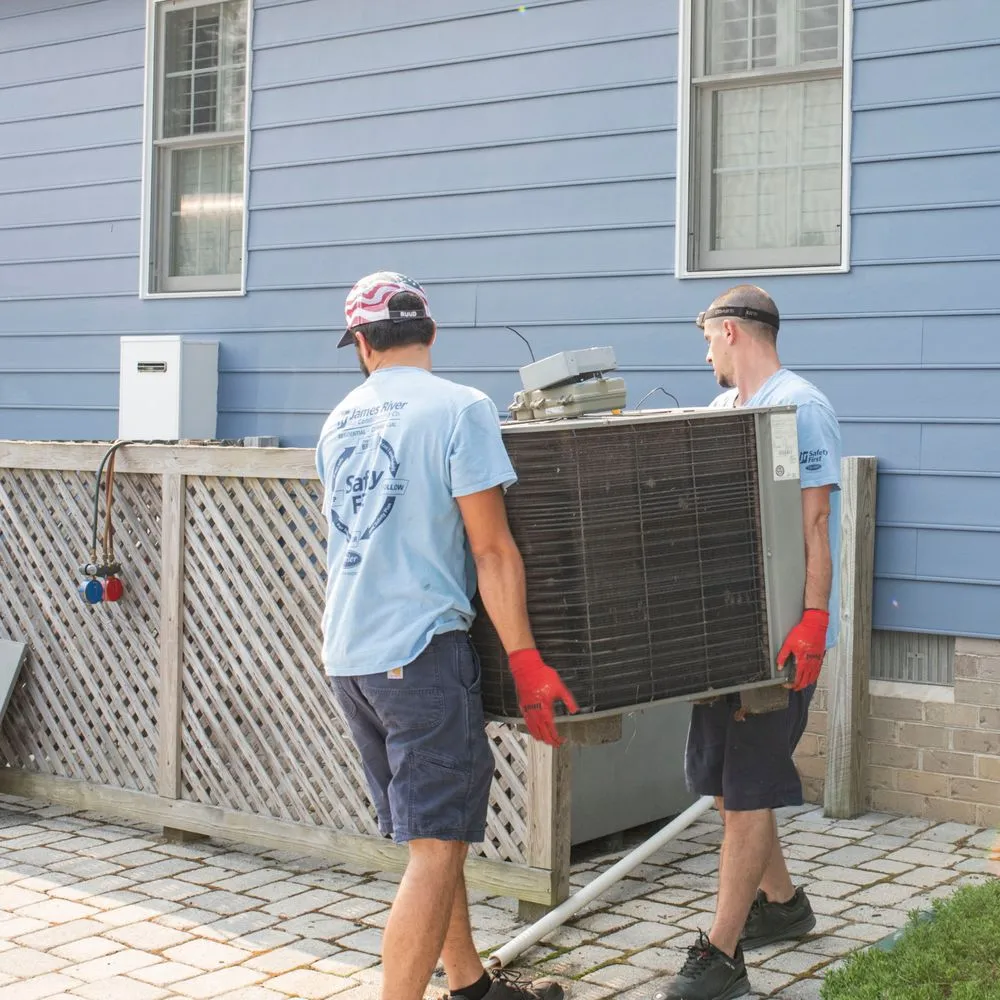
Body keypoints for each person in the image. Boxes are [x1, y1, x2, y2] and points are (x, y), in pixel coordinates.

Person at [316, 271, 579, 1000]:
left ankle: (469, 986)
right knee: (436, 851)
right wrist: (527, 663)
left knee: (432, 838)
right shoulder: (462, 408)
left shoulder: (338, 420)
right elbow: (492, 549)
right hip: (421, 652)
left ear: (363, 344)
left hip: (350, 655)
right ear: (430, 333)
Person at [650, 285, 842, 1000]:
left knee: (749, 782)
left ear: (729, 331)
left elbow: (813, 524)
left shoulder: (801, 407)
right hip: (723, 632)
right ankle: (785, 907)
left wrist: (814, 621)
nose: (705, 353)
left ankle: (722, 954)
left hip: (782, 637)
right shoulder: (720, 414)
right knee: (726, 784)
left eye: (707, 338)